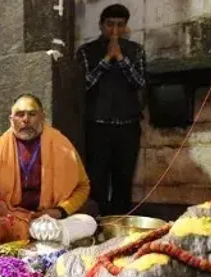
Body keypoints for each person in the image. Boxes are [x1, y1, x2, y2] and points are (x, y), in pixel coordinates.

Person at [0, 94, 90, 243]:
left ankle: (37, 238)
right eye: (19, 114)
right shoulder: (0, 147)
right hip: (11, 217)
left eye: (32, 114)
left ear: (42, 117)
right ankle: (27, 241)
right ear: (11, 120)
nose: (25, 119)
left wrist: (60, 211)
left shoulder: (61, 145)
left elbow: (83, 186)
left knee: (87, 222)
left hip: (46, 219)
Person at [76, 3, 146, 216]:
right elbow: (83, 85)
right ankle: (99, 225)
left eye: (120, 25)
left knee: (123, 179)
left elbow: (139, 82)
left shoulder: (135, 50)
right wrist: (107, 59)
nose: (115, 30)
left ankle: (121, 224)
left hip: (128, 125)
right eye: (110, 24)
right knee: (97, 179)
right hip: (97, 125)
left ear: (126, 26)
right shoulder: (86, 52)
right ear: (101, 25)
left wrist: (121, 59)